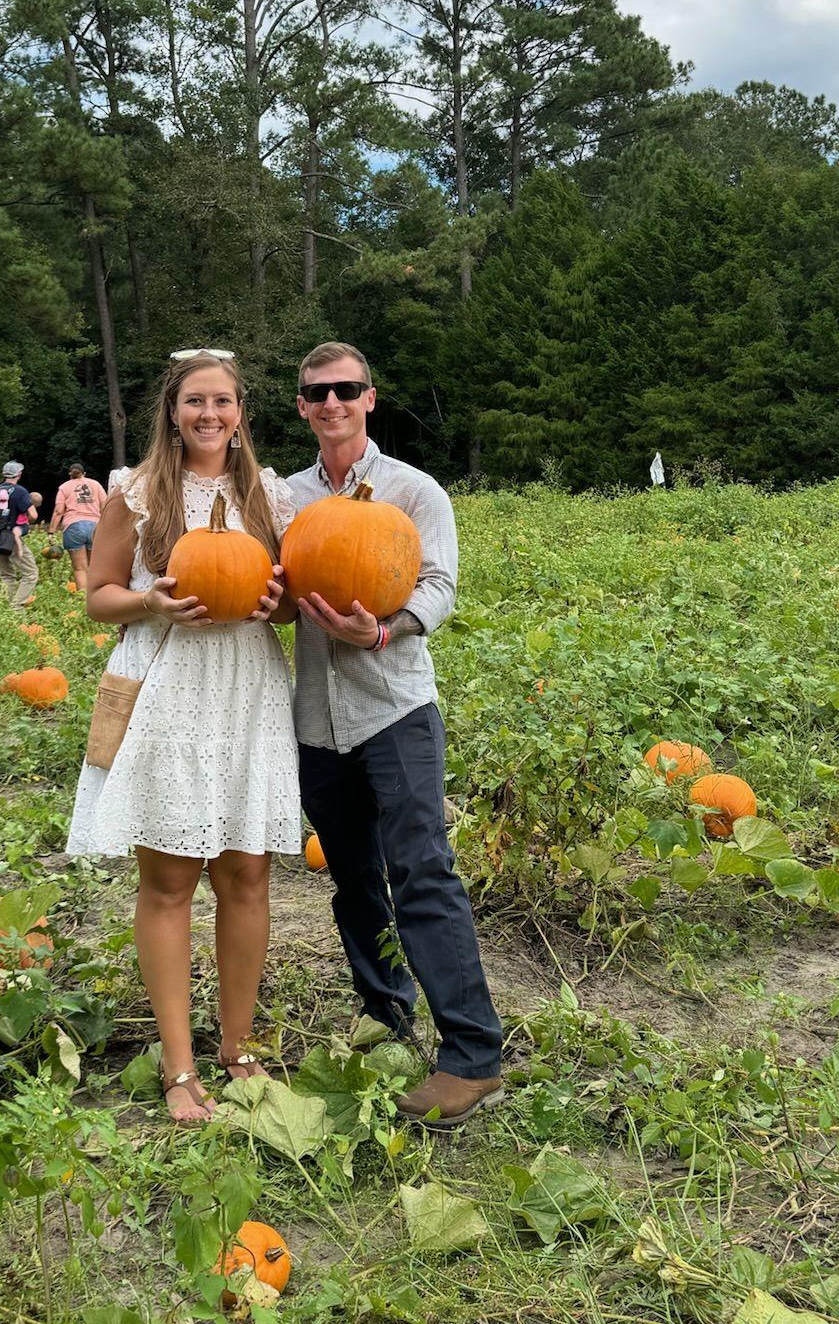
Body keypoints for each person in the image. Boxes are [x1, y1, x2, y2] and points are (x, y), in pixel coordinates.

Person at [67, 350, 299, 1123]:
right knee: (168, 882)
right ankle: (178, 1063)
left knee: (247, 877)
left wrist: (276, 603)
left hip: (245, 687)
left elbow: (292, 598)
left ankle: (238, 1048)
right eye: (195, 401)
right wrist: (152, 603)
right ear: (172, 410)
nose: (210, 414)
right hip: (168, 686)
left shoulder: (267, 493)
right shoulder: (135, 493)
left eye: (223, 401)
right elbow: (97, 598)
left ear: (241, 413)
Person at [288, 341, 504, 1129]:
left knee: (422, 870)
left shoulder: (414, 491)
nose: (332, 402)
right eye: (318, 392)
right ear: (303, 405)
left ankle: (473, 1054)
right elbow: (272, 584)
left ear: (370, 398)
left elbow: (439, 586)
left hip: (395, 708)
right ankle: (385, 1012)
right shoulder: (286, 498)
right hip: (316, 715)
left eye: (346, 389)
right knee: (352, 876)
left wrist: (381, 630)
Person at [0, 462, 37, 608]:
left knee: (7, 575)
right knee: (31, 573)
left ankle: (6, 609)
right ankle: (16, 607)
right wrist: (24, 518)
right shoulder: (20, 492)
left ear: (4, 474)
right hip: (10, 538)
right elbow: (33, 515)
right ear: (19, 475)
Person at [51, 461, 108, 591]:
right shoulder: (96, 484)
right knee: (93, 566)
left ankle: (82, 600)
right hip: (95, 526)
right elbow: (106, 507)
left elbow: (59, 511)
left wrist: (51, 532)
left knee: (79, 568)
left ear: (70, 474)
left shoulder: (64, 487)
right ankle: (95, 597)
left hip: (73, 526)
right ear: (84, 474)